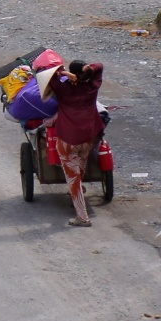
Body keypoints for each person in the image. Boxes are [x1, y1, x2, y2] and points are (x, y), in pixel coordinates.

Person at [48, 60, 106, 227]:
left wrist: (64, 74)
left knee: (72, 178)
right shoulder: (92, 87)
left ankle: (82, 218)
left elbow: (49, 78)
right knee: (80, 166)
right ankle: (78, 191)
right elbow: (99, 66)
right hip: (88, 138)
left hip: (68, 139)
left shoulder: (63, 89)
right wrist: (85, 71)